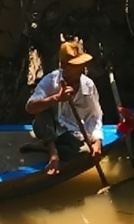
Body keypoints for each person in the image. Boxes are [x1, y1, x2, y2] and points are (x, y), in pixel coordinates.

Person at [24, 37, 105, 176]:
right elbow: (30, 107)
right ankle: (52, 151)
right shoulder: (51, 81)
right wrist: (56, 98)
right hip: (50, 126)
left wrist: (97, 141)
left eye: (81, 64)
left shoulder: (88, 85)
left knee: (81, 153)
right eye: (75, 65)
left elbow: (95, 116)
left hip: (72, 132)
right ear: (64, 66)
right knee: (41, 118)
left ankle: (47, 146)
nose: (81, 68)